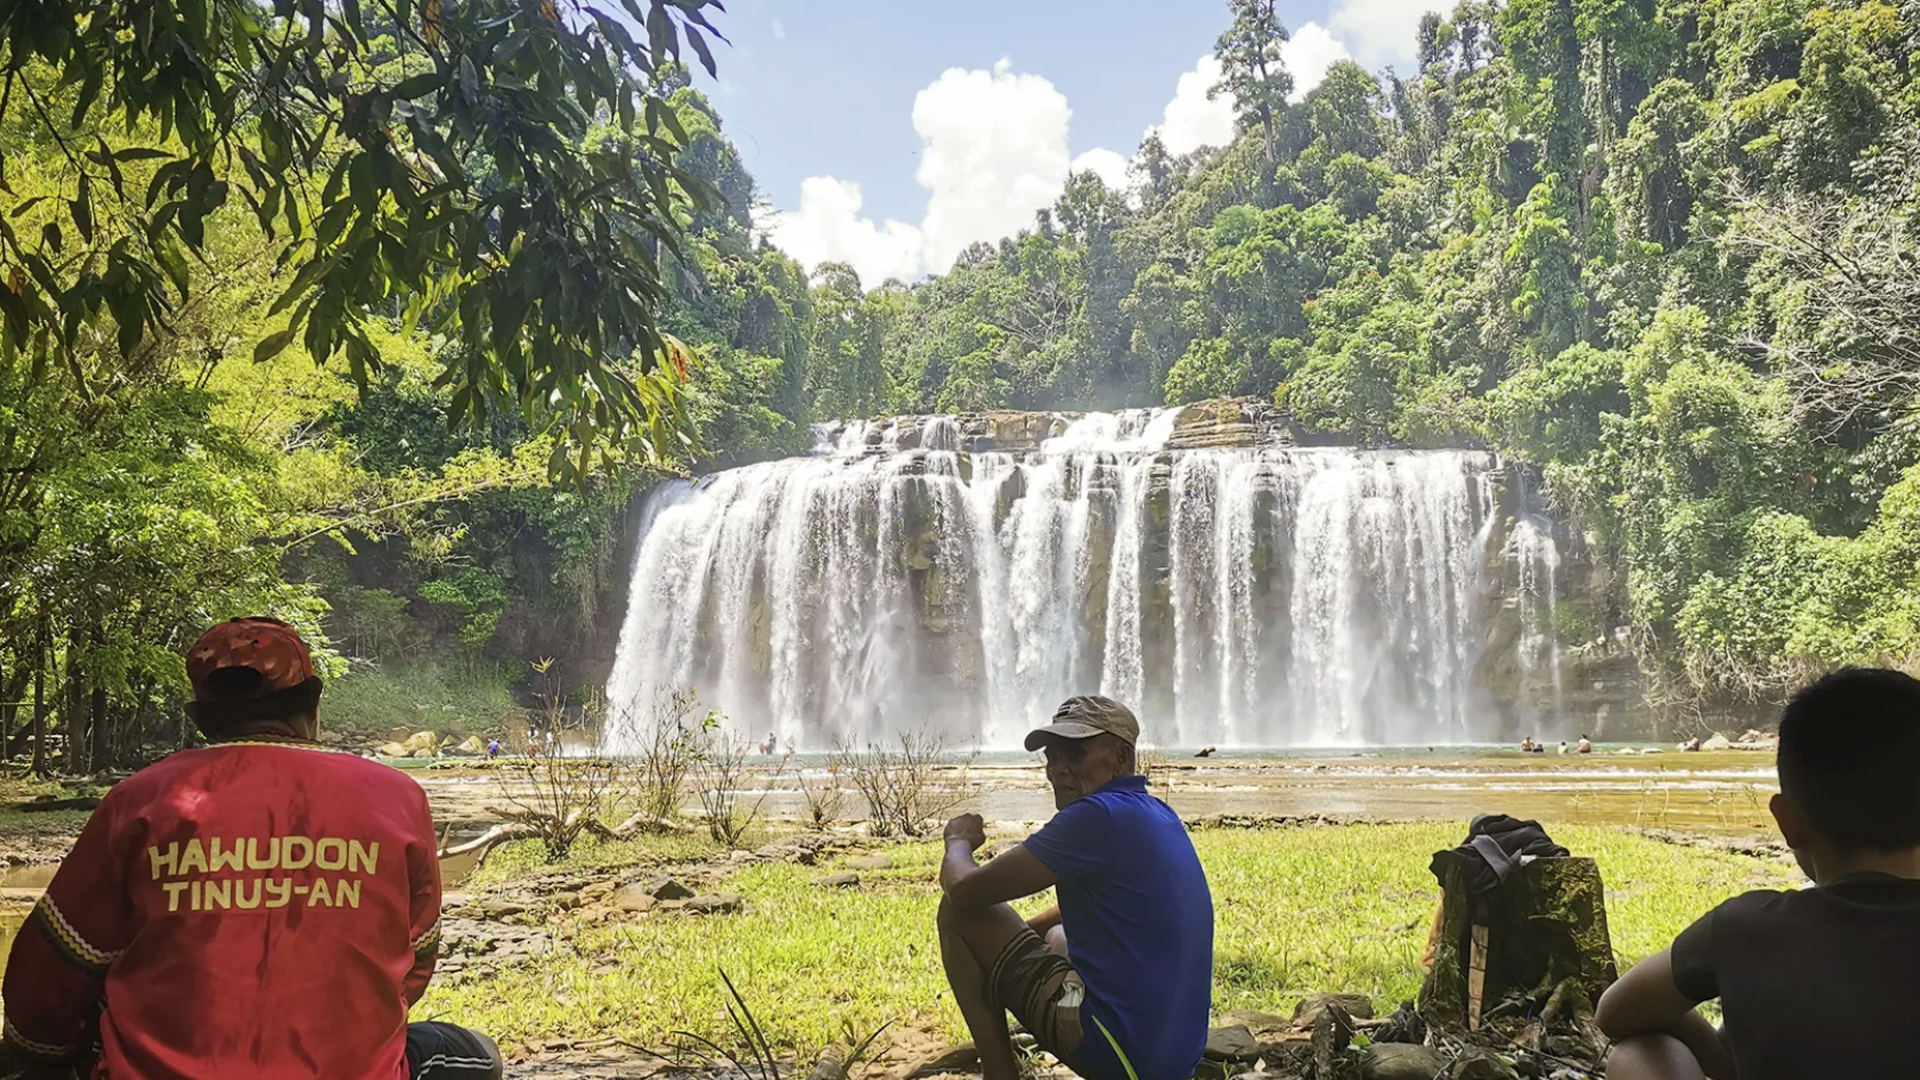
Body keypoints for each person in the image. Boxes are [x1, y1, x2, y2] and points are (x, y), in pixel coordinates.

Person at [0, 617, 502, 1080]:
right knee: (479, 1053)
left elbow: (46, 978)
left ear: (199, 717)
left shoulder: (140, 801)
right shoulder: (396, 797)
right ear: (313, 701)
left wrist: (45, 1056)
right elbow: (414, 964)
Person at [1595, 668, 1920, 1080]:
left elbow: (1615, 1012)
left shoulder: (1744, 926)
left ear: (1788, 821)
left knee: (1636, 1051)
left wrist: (1724, 1055)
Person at [936, 695, 1213, 1080]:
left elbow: (964, 889)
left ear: (1119, 757)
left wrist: (958, 841)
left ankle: (999, 1073)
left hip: (1121, 1057)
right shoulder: (1155, 813)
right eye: (1052, 756)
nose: (1058, 769)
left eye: (1075, 754)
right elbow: (1105, 910)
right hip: (1171, 1062)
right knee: (1058, 936)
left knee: (957, 914)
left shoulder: (1096, 815)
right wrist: (1011, 945)